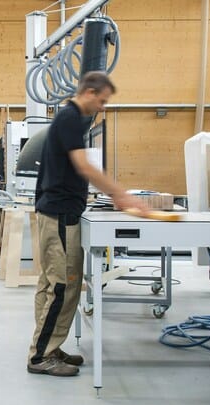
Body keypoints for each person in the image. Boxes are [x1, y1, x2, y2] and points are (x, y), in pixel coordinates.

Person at [27, 71, 148, 376]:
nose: (103, 108)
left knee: (51, 286)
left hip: (55, 213)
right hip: (61, 217)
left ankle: (47, 347)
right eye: (103, 101)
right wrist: (120, 195)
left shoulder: (69, 120)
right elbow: (84, 166)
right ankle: (41, 357)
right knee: (62, 286)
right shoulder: (70, 119)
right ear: (90, 92)